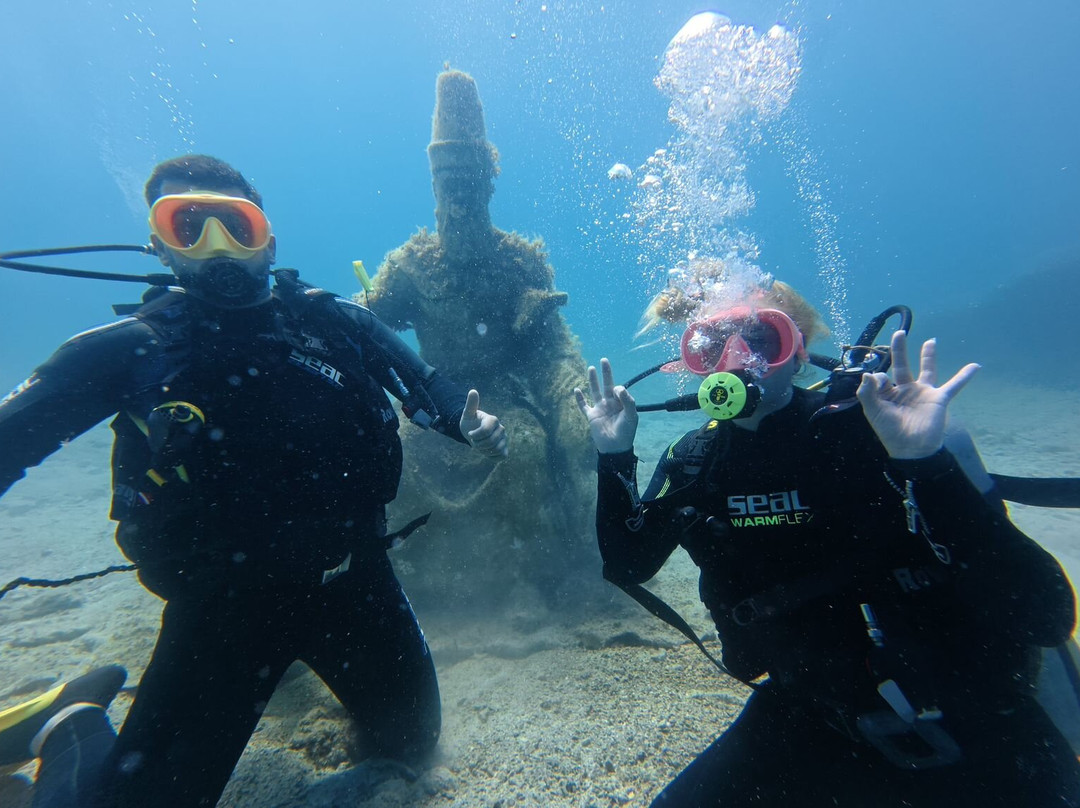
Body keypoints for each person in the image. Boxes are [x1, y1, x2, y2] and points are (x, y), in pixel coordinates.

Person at [0, 154, 508, 807]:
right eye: (189, 227)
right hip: (221, 613)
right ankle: (71, 723)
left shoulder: (337, 324)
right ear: (160, 246)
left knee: (410, 745)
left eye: (234, 226)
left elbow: (430, 390)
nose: (217, 248)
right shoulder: (128, 349)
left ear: (267, 237)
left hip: (353, 586)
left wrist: (471, 425)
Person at [575, 280, 1080, 806]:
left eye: (762, 340)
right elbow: (627, 564)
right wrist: (614, 455)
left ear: (798, 354)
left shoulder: (872, 433)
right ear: (693, 365)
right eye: (710, 345)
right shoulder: (696, 460)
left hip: (971, 723)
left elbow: (1046, 613)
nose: (736, 359)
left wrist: (926, 463)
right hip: (814, 717)